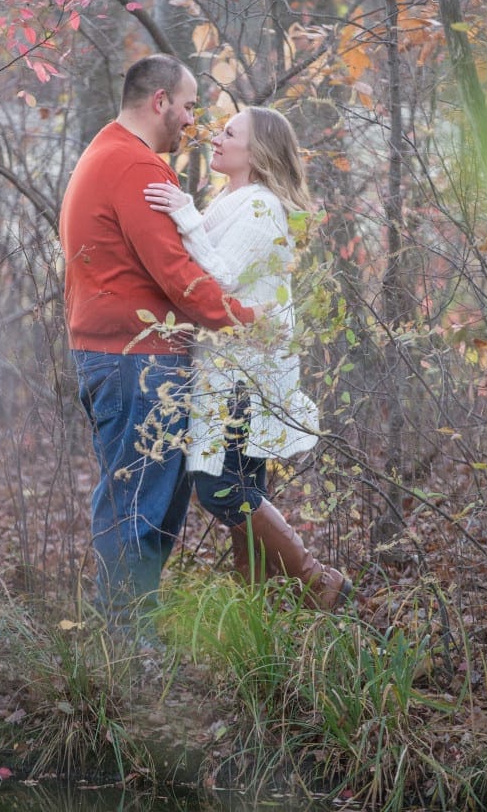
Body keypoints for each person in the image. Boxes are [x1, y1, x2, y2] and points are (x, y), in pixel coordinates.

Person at [58, 55, 262, 635]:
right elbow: (178, 275)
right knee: (138, 507)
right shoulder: (134, 166)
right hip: (135, 362)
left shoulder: (106, 151)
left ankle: (129, 640)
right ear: (159, 102)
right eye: (189, 106)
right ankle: (125, 651)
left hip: (125, 355)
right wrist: (248, 321)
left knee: (149, 505)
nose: (192, 121)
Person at [144, 106, 352, 612]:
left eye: (229, 132)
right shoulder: (233, 199)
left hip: (247, 376)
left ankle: (318, 581)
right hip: (231, 367)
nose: (217, 137)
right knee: (241, 486)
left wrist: (183, 211)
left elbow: (222, 278)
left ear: (255, 152)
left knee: (218, 488)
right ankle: (260, 615)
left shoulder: (261, 208)